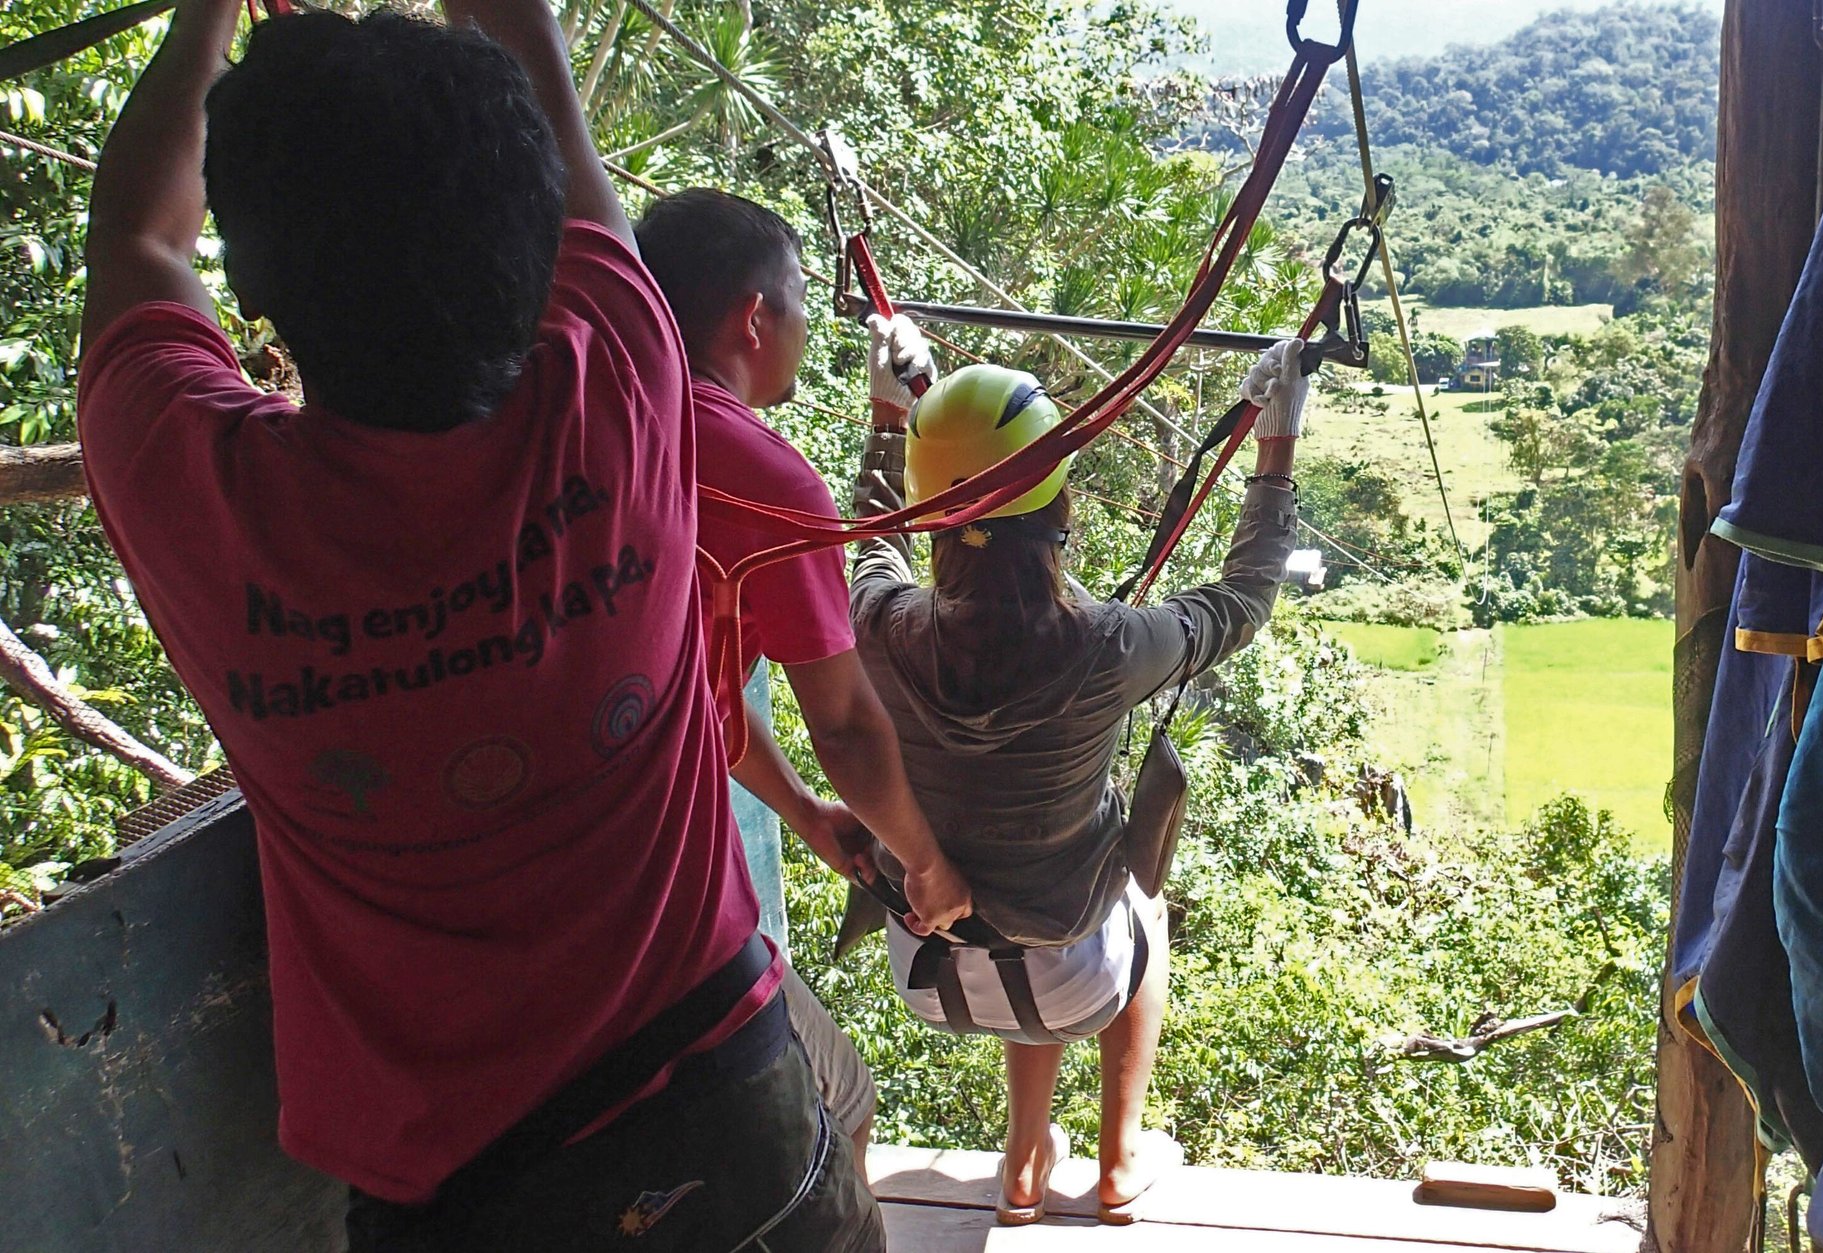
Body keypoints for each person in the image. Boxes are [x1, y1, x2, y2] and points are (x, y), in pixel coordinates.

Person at [75, 3, 918, 1247]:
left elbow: (139, 238)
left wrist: (208, 18)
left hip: (463, 1194)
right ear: (539, 241)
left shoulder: (200, 498)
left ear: (252, 289)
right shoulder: (624, 389)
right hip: (729, 1107)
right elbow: (538, 66)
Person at [845, 313, 1309, 1224]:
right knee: (1135, 899)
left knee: (1037, 897)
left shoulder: (882, 625)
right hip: (1073, 977)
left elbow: (872, 537)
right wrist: (1277, 442)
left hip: (927, 967)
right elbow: (1244, 600)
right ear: (1061, 509)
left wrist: (890, 416)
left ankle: (1023, 1157)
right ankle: (1117, 1158)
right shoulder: (1107, 647)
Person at [632, 187, 972, 1181]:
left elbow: (704, 685)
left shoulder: (606, 425)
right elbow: (849, 722)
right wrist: (926, 861)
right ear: (752, 317)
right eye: (796, 310)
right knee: (836, 1104)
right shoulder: (758, 474)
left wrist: (807, 814)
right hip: (653, 876)